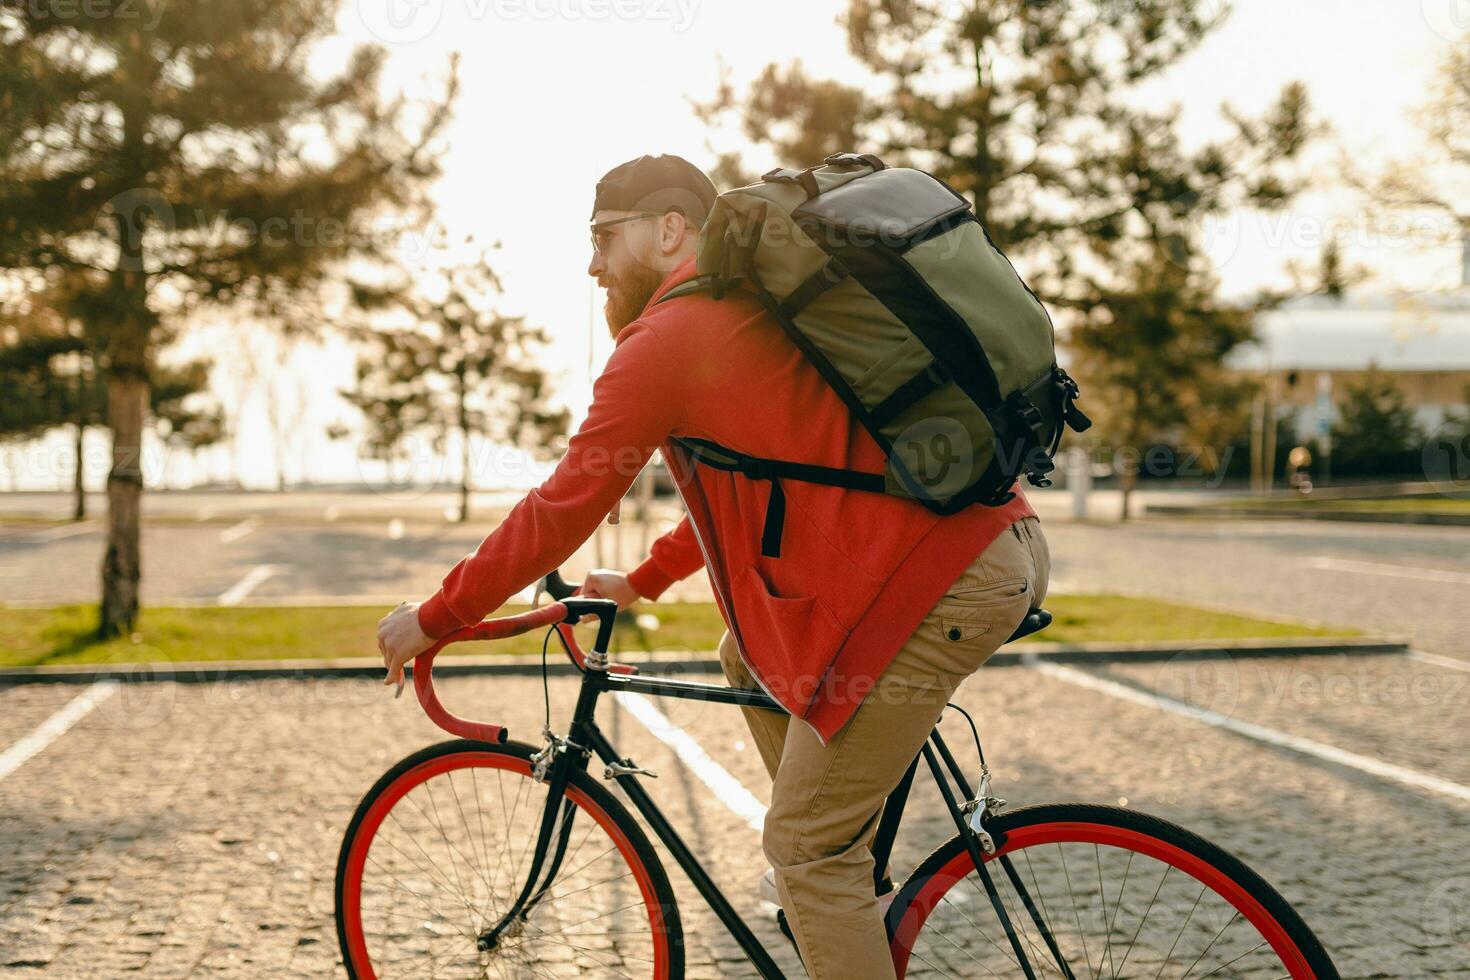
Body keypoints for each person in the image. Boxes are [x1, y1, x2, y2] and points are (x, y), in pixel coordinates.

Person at [377, 152, 1051, 978]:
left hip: (942, 579)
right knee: (748, 656)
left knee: (804, 850)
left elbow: (562, 506)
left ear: (668, 232)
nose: (591, 263)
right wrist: (643, 581)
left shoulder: (671, 335)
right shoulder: (754, 312)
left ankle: (834, 877)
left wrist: (433, 617)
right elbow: (757, 485)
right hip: (986, 548)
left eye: (602, 238)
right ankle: (850, 893)